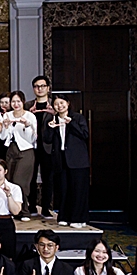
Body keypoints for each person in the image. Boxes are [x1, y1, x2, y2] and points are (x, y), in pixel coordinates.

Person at [44, 94, 90, 228]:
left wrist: (72, 123)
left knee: (78, 190)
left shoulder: (77, 118)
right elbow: (47, 140)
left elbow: (85, 134)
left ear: (68, 103)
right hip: (61, 159)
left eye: (62, 103)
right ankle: (63, 216)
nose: (59, 106)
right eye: (56, 104)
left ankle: (78, 219)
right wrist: (50, 128)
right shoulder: (53, 119)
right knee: (63, 189)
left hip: (78, 160)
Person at [0, 91, 38, 221]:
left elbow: (32, 139)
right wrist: (5, 127)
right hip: (11, 150)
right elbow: (3, 137)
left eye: (18, 101)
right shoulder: (7, 115)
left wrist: (27, 126)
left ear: (23, 102)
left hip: (26, 150)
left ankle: (25, 211)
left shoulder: (30, 116)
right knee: (9, 180)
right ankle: (13, 210)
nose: (16, 104)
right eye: (13, 101)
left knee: (20, 182)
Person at [26, 76, 57, 219]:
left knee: (48, 178)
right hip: (31, 146)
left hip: (47, 147)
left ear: (48, 88)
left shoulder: (54, 106)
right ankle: (31, 206)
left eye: (43, 86)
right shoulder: (27, 106)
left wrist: (54, 114)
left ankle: (46, 208)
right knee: (30, 178)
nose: (40, 89)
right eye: (37, 86)